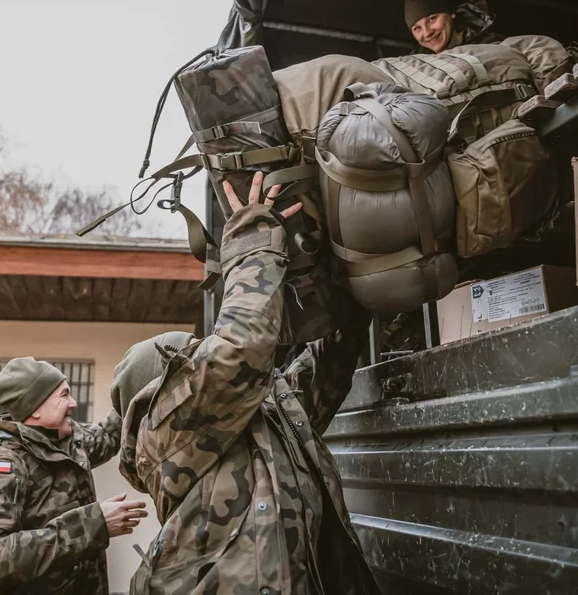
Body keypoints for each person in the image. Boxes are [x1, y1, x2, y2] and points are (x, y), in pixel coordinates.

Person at [111, 172, 382, 595]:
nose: (203, 363)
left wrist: (340, 278)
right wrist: (252, 234)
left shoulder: (252, 421)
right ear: (160, 391)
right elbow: (241, 349)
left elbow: (324, 372)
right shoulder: (163, 435)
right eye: (192, 363)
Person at [0, 357, 147, 595]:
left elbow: (107, 436)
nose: (73, 403)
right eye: (64, 395)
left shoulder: (63, 441)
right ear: (35, 409)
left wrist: (140, 376)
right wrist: (95, 524)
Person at [403, 0, 501, 53]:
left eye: (432, 19)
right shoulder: (414, 63)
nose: (427, 33)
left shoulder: (489, 46)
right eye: (417, 28)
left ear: (451, 14)